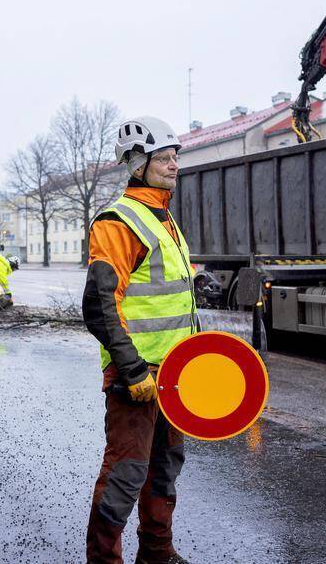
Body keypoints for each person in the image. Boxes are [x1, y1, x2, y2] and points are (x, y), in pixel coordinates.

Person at [82, 116, 198, 564]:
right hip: (137, 377)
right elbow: (100, 306)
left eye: (174, 157)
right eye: (163, 158)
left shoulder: (164, 218)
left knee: (165, 471)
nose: (173, 165)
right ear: (136, 164)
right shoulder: (119, 221)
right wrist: (131, 372)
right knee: (125, 475)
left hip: (173, 376)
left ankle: (157, 554)